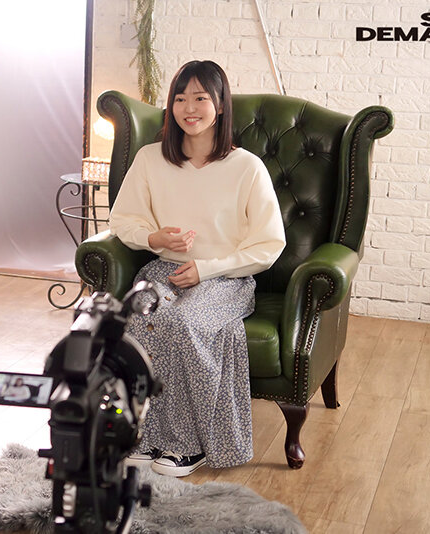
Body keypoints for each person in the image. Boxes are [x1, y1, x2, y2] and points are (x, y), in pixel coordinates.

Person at [109, 60, 286, 477]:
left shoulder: (247, 167)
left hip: (226, 279)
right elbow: (122, 220)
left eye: (201, 98)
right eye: (180, 98)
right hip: (163, 273)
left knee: (185, 321)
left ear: (220, 105)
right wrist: (155, 239)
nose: (189, 108)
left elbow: (268, 245)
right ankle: (143, 436)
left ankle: (188, 444)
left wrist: (206, 268)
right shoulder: (151, 159)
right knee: (139, 320)